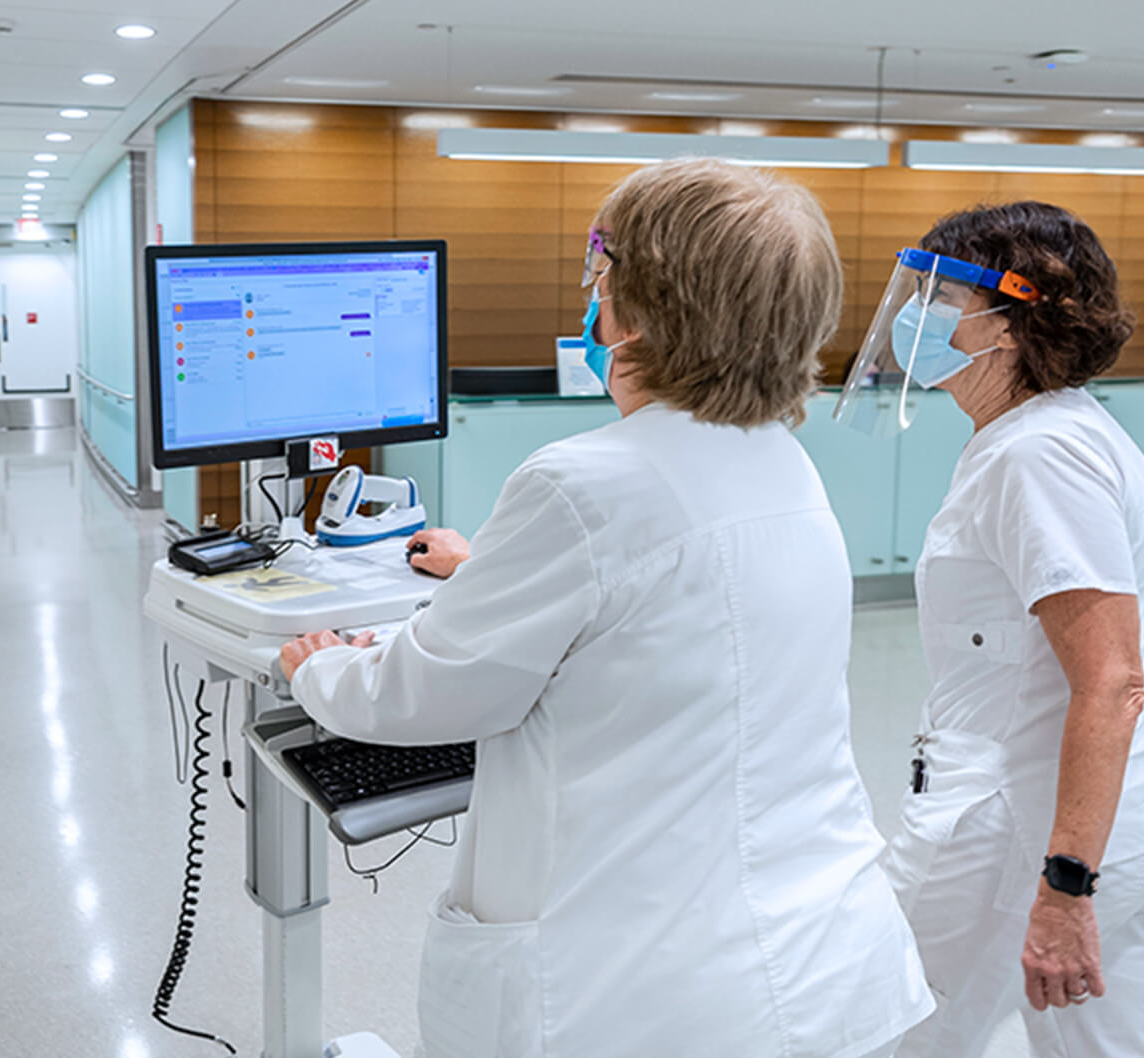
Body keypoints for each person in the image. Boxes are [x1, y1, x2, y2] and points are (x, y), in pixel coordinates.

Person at [279, 158, 933, 1058]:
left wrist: (319, 669)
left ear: (645, 308)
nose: (592, 294)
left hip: (650, 999)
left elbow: (424, 697)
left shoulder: (580, 483)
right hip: (823, 967)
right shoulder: (783, 465)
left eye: (601, 271)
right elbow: (668, 619)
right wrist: (489, 574)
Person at [839, 201, 1144, 1057]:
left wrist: (1065, 887)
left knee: (885, 1035)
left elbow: (1111, 680)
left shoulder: (1036, 454)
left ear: (1009, 323)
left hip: (1026, 839)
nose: (910, 317)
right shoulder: (1056, 433)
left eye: (937, 300)